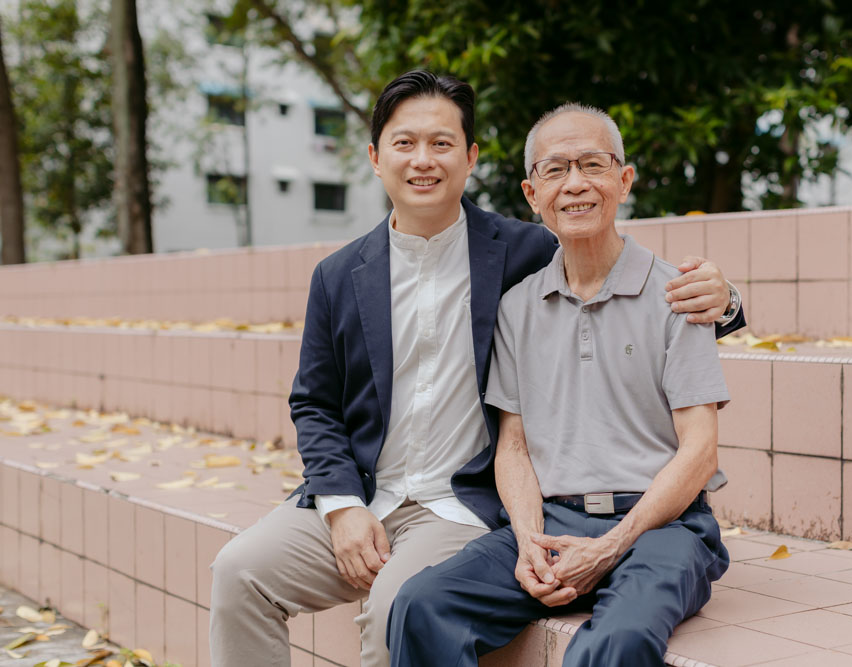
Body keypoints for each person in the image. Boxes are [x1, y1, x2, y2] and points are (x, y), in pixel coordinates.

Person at [209, 72, 744, 667]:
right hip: (366, 493)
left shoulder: (522, 252)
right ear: (376, 157)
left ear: (470, 158)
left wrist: (726, 300)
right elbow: (314, 403)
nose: (423, 160)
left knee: (399, 607)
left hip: (460, 503)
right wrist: (340, 505)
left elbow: (607, 262)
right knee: (237, 572)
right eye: (405, 143)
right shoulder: (337, 275)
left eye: (441, 143)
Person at [387, 103, 731, 667]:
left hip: (663, 527)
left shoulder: (680, 295)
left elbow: (700, 451)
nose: (575, 184)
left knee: (618, 641)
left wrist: (611, 545)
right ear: (532, 193)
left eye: (593, 165)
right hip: (552, 521)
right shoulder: (517, 307)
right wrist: (528, 540)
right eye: (555, 170)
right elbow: (513, 446)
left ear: (624, 180)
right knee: (422, 605)